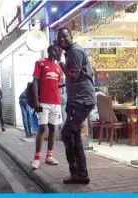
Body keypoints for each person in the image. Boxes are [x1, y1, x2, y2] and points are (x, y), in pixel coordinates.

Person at [55, 27, 96, 184]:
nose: (61, 40)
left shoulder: (75, 51)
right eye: (59, 38)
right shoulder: (70, 52)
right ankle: (81, 174)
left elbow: (74, 74)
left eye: (65, 36)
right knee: (75, 135)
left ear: (71, 36)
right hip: (77, 101)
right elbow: (74, 79)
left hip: (82, 101)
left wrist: (59, 61)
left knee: (67, 133)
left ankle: (77, 173)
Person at [31, 45, 63, 169]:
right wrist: (35, 99)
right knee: (42, 128)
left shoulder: (58, 67)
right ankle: (37, 157)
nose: (59, 52)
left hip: (56, 102)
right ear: (52, 51)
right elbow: (35, 82)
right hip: (43, 102)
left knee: (53, 128)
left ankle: (49, 156)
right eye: (58, 50)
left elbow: (56, 84)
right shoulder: (40, 63)